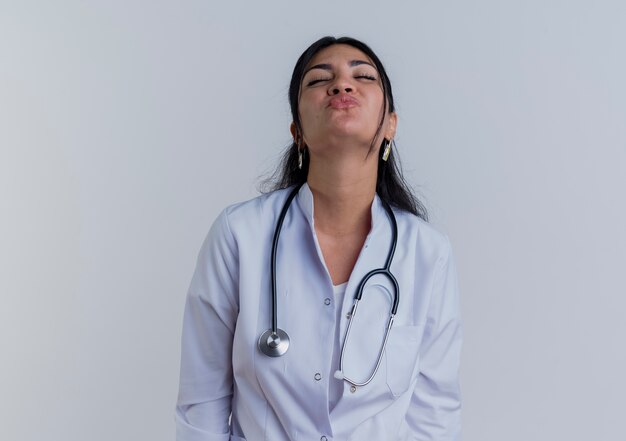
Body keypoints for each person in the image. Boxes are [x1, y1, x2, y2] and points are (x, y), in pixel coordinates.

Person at [175, 36, 462, 441]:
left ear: (390, 124)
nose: (343, 85)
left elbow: (435, 415)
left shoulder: (428, 252)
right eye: (318, 80)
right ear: (297, 131)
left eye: (362, 76)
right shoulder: (240, 235)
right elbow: (201, 406)